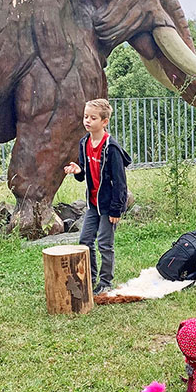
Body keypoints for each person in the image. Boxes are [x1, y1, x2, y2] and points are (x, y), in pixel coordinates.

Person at [64, 98, 131, 295]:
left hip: (109, 206)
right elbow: (84, 174)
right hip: (93, 205)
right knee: (85, 241)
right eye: (85, 117)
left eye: (93, 118)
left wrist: (116, 209)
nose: (87, 121)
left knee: (104, 243)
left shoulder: (111, 148)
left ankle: (105, 282)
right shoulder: (84, 143)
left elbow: (120, 182)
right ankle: (91, 278)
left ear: (104, 122)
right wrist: (77, 170)